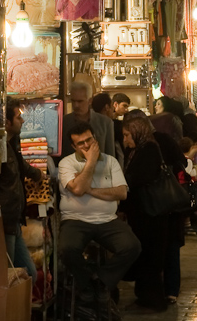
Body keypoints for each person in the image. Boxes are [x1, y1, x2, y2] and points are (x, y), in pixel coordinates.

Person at [57, 122, 141, 310]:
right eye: (81, 144)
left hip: (107, 220)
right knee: (67, 249)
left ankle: (101, 281)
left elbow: (121, 193)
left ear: (95, 139)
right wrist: (91, 162)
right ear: (74, 147)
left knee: (132, 246)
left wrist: (91, 189)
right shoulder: (66, 163)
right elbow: (77, 189)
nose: (86, 146)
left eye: (89, 140)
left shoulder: (111, 161)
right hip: (75, 220)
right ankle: (87, 285)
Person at [0, 99, 43, 280]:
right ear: (6, 123)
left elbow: (18, 165)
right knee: (7, 277)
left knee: (29, 275)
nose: (22, 121)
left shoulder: (10, 144)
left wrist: (36, 174)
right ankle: (8, 308)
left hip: (13, 222)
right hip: (2, 223)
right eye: (18, 118)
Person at [119, 115, 171, 312]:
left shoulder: (149, 149)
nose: (125, 140)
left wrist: (123, 183)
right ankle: (144, 298)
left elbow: (140, 178)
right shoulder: (137, 149)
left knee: (150, 258)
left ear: (138, 131)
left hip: (151, 215)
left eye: (127, 135)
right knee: (143, 256)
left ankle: (153, 301)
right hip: (141, 214)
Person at [61, 82, 119, 163]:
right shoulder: (64, 122)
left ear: (90, 100)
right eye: (73, 101)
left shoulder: (105, 123)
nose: (76, 105)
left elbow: (110, 156)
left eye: (80, 101)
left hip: (99, 171)